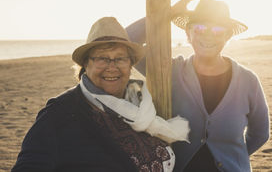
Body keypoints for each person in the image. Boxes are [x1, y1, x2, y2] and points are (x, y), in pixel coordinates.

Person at [12, 17, 189, 172]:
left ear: (130, 65)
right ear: (85, 65)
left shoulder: (142, 104)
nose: (112, 66)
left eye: (120, 58)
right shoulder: (60, 112)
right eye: (102, 58)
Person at [126, 0, 270, 172]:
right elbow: (126, 42)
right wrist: (169, 13)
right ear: (188, 33)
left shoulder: (248, 81)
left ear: (227, 36)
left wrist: (235, 156)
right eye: (200, 28)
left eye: (218, 30)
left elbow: (260, 133)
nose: (208, 35)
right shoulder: (169, 71)